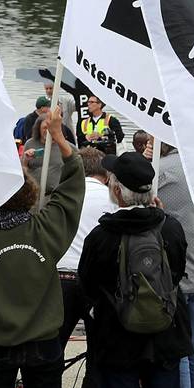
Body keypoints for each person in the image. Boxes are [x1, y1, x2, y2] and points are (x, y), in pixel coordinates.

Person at [0, 107, 79, 388]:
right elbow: (73, 185)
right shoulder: (46, 229)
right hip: (43, 341)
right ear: (31, 194)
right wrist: (59, 136)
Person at [79, 152, 192, 388]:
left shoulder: (101, 235)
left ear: (117, 191)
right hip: (165, 331)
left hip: (116, 336)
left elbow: (87, 284)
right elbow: (177, 272)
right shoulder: (171, 228)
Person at [149, 138, 194, 388]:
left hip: (176, 273)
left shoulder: (162, 171)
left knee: (180, 350)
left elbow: (138, 196)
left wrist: (147, 160)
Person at [56, 148, 118, 357]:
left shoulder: (63, 195)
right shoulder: (112, 199)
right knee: (98, 353)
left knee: (53, 349)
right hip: (96, 281)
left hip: (62, 275)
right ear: (105, 173)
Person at [24, 114, 78, 193]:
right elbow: (24, 168)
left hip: (57, 195)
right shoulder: (30, 143)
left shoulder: (66, 146)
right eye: (45, 128)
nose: (48, 131)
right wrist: (26, 158)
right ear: (38, 129)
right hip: (35, 194)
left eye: (51, 128)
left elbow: (78, 167)